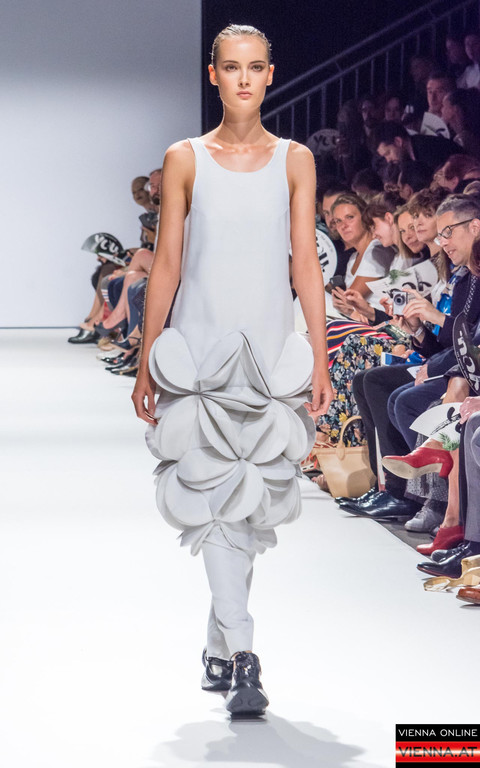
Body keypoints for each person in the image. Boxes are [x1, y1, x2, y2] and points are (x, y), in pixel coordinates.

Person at [131, 24, 332, 717]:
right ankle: (245, 654)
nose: (243, 78)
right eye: (231, 67)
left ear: (270, 74)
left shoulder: (296, 160)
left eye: (254, 67)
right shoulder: (184, 158)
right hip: (200, 348)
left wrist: (319, 354)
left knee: (247, 503)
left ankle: (219, 645)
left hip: (270, 351)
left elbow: (305, 262)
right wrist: (148, 358)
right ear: (212, 74)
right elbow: (167, 261)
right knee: (214, 498)